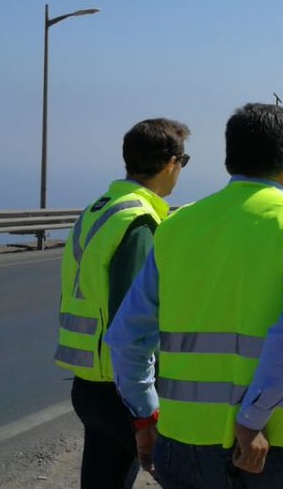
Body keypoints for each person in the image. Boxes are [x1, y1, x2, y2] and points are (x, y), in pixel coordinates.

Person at [106, 103, 283, 488]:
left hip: (182, 446)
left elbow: (126, 337)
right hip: (275, 449)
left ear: (230, 161)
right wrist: (251, 419)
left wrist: (145, 418)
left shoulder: (177, 225)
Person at [55, 117, 190, 488]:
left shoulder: (100, 208)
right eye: (184, 161)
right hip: (122, 389)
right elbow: (132, 321)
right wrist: (145, 409)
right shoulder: (139, 221)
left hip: (89, 382)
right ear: (170, 163)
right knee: (187, 476)